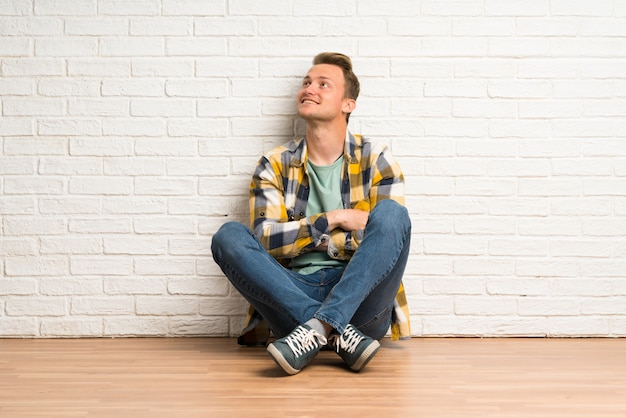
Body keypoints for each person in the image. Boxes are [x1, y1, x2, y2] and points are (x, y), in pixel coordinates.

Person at [211, 52, 411, 375]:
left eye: (323, 84)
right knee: (228, 237)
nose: (309, 89)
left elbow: (385, 239)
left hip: (358, 296)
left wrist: (307, 236)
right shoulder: (274, 164)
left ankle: (317, 328)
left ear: (348, 104)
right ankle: (335, 333)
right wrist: (336, 218)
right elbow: (265, 240)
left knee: (391, 214)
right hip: (291, 290)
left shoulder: (377, 160)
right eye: (306, 83)